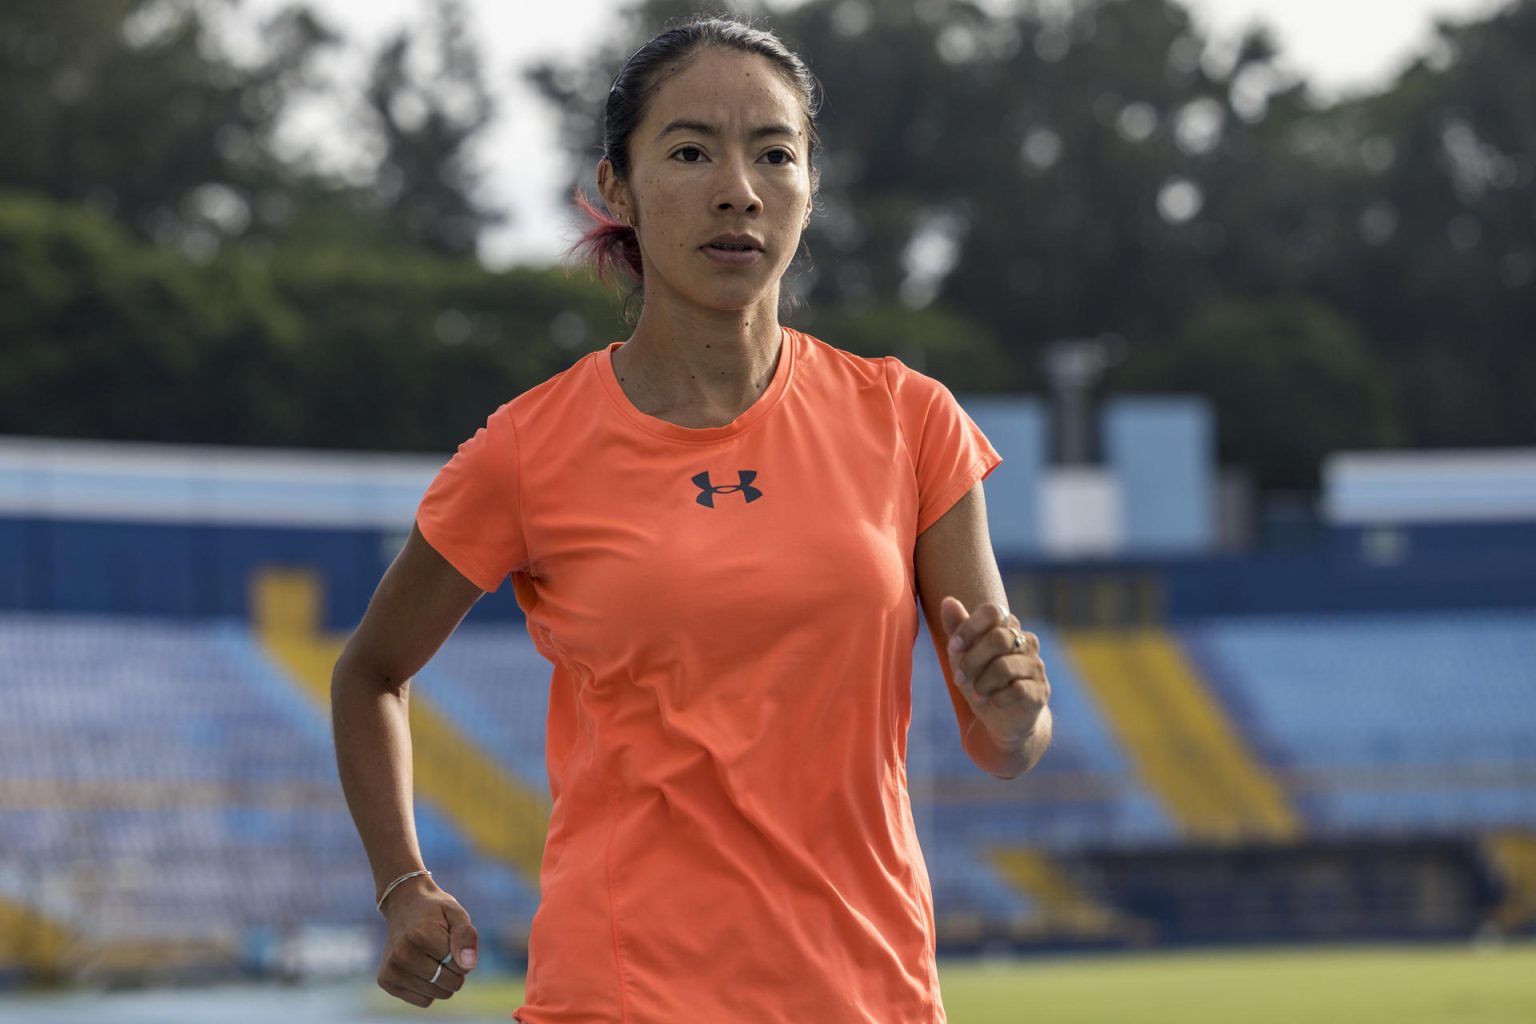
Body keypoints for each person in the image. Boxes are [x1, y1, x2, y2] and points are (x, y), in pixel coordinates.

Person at [330, 14, 1053, 1023]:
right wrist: (403, 881)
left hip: (867, 992)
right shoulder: (529, 448)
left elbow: (1003, 739)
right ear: (616, 188)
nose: (737, 189)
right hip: (620, 993)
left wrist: (1016, 707)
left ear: (809, 187)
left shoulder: (910, 419)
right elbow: (370, 671)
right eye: (689, 151)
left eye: (774, 153)